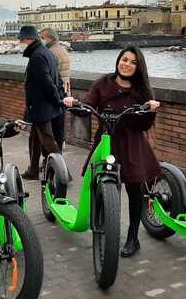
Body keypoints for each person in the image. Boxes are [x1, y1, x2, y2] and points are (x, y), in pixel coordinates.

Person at [63, 46, 161, 257]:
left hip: (132, 143)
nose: (127, 64)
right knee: (102, 185)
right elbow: (87, 106)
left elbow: (144, 125)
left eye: (133, 62)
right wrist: (74, 104)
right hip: (107, 140)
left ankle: (133, 237)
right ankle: (105, 228)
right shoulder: (103, 83)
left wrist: (150, 110)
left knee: (135, 191)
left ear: (138, 67)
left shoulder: (142, 90)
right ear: (118, 60)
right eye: (124, 59)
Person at [17, 26, 65, 181]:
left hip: (41, 106)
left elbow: (46, 82)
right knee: (35, 138)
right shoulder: (46, 53)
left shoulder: (37, 56)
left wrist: (57, 99)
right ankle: (33, 169)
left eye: (21, 40)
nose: (20, 43)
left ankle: (63, 175)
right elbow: (56, 78)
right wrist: (58, 98)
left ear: (29, 39)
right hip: (43, 106)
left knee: (48, 141)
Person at [40, 27, 71, 151]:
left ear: (50, 38)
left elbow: (49, 77)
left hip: (54, 95)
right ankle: (58, 155)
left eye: (42, 38)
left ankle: (52, 157)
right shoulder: (62, 50)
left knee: (50, 129)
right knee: (59, 128)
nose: (40, 40)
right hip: (63, 92)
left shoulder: (50, 52)